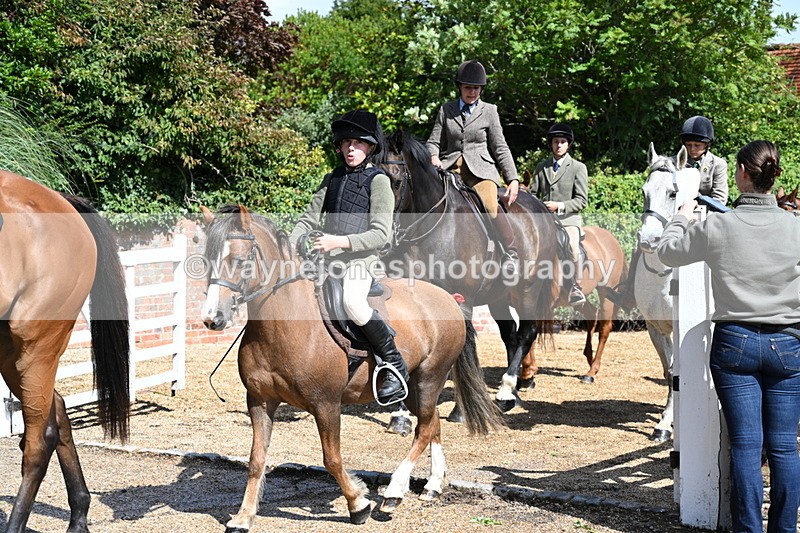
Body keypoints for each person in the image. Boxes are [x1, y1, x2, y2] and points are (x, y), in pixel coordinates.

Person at [657, 140, 800, 533]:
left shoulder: (717, 225)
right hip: (788, 343)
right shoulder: (796, 228)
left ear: (740, 172)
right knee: (785, 447)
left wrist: (681, 215)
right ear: (773, 177)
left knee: (746, 447)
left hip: (735, 341)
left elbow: (667, 253)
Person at [290, 109, 409, 405]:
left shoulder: (379, 181)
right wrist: (289, 245)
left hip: (361, 262)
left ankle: (394, 362)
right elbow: (306, 220)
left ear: (369, 147)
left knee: (352, 302)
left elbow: (380, 234)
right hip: (325, 261)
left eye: (357, 143)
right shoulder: (331, 179)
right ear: (340, 147)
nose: (351, 148)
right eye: (346, 143)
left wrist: (338, 242)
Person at [609, 115, 730, 311]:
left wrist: (694, 205)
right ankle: (629, 292)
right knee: (642, 244)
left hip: (705, 217)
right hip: (674, 217)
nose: (692, 150)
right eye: (689, 145)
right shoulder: (673, 163)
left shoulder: (718, 164)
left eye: (697, 145)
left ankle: (726, 294)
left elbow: (720, 198)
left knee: (722, 250)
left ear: (707, 145)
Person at [426, 59, 520, 275]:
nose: (472, 92)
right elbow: (433, 141)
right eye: (468, 87)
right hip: (450, 169)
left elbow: (500, 146)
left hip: (481, 170)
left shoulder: (490, 111)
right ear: (459, 87)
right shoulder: (446, 109)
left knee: (489, 204)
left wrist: (512, 178)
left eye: (476, 88)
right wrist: (433, 155)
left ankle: (510, 253)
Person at [530, 123, 589, 306]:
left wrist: (559, 206)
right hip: (545, 221)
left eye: (562, 142)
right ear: (551, 144)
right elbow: (532, 194)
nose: (559, 145)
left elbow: (582, 200)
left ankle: (576, 287)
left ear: (568, 144)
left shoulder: (578, 168)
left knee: (571, 244)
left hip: (568, 220)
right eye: (556, 141)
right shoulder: (542, 167)